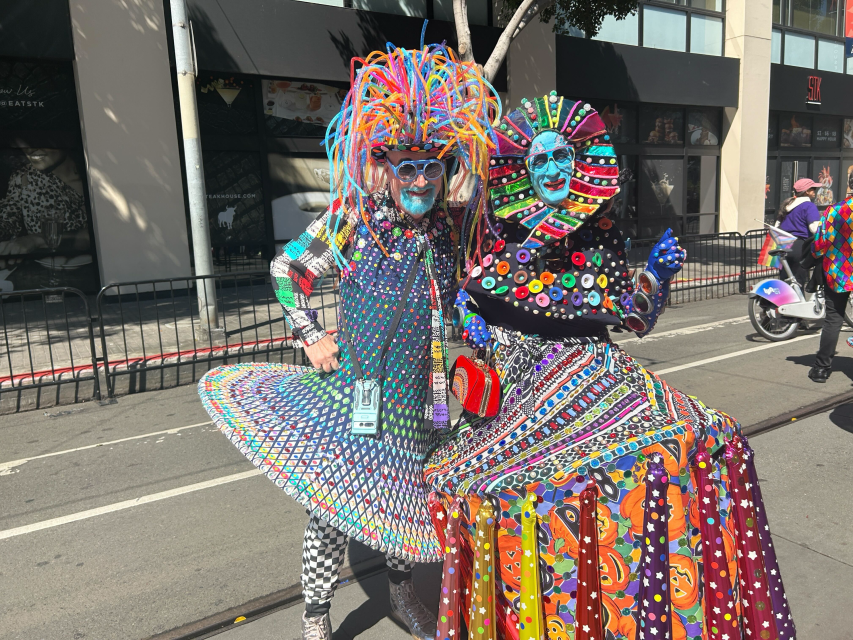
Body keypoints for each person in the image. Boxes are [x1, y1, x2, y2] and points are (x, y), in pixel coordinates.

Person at [424, 94, 796, 640]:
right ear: (523, 172)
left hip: (602, 374)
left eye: (560, 158)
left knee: (697, 439)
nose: (551, 169)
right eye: (538, 161)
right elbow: (471, 296)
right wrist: (473, 320)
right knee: (505, 489)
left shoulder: (600, 236)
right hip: (527, 394)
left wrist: (658, 278)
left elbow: (633, 316)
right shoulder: (499, 237)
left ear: (578, 164)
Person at [197, 44, 499, 640]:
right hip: (355, 391)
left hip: (426, 394)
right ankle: (316, 617)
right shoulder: (351, 219)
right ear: (384, 166)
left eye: (431, 166)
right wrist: (311, 339)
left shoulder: (452, 226)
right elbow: (288, 272)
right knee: (333, 509)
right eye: (406, 166)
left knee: (411, 502)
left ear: (446, 169)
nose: (418, 179)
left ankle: (401, 588)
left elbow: (472, 283)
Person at [0, 148, 90, 269]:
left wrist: (37, 239)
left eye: (38, 137)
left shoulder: (98, 177)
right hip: (46, 272)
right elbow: (7, 220)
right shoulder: (23, 178)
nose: (28, 147)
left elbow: (100, 235)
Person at [808, 171, 853, 383]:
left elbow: (819, 245)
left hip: (838, 271)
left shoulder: (834, 210)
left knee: (833, 319)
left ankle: (821, 368)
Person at [776, 177, 822, 287]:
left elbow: (777, 226)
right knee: (798, 282)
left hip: (783, 245)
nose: (814, 192)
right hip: (800, 246)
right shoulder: (809, 206)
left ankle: (782, 303)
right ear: (807, 191)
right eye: (813, 189)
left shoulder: (786, 205)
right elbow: (814, 228)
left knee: (785, 282)